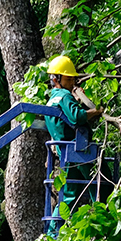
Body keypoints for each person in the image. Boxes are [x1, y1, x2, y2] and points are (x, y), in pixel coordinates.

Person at [43, 55, 106, 223]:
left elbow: (66, 118)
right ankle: (105, 220)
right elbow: (77, 117)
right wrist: (96, 111)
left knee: (69, 195)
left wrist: (77, 100)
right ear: (56, 79)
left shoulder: (52, 99)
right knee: (101, 183)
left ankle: (53, 233)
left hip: (65, 153)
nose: (72, 82)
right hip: (78, 149)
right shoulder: (64, 95)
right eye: (68, 78)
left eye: (73, 79)